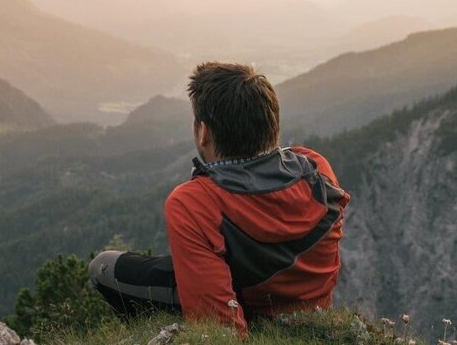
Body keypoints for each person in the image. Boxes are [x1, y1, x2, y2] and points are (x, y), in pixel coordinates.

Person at [88, 62, 350, 337]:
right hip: (310, 310)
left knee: (102, 267)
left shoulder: (194, 202)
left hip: (248, 305)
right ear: (271, 124)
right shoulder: (317, 169)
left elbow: (219, 328)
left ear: (204, 133)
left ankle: (152, 334)